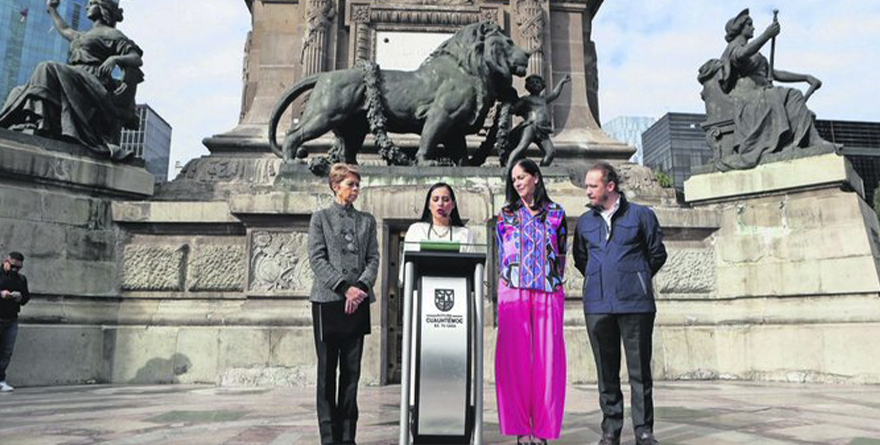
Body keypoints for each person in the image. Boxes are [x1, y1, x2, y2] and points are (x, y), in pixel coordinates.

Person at [572, 163, 667, 445]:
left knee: (639, 372)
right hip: (598, 306)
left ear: (610, 186)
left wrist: (634, 277)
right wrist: (599, 280)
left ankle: (643, 431)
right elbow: (581, 258)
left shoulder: (641, 215)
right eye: (587, 186)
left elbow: (656, 254)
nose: (587, 191)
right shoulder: (585, 222)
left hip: (636, 305)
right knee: (606, 372)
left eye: (593, 186)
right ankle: (611, 430)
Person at [0, 0, 143, 160]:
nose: (87, 7)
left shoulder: (113, 34)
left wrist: (115, 59)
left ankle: (40, 122)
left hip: (93, 81)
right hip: (72, 76)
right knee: (17, 91)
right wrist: (52, 8)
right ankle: (34, 122)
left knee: (47, 67)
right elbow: (64, 29)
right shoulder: (83, 35)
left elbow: (136, 58)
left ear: (103, 8)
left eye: (91, 3)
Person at [698, 8, 837, 170]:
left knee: (792, 95)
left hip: (762, 92)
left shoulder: (753, 51)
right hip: (747, 96)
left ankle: (808, 140)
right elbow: (741, 56)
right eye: (750, 25)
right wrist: (766, 35)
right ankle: (805, 140)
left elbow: (774, 73)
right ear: (740, 29)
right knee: (792, 95)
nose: (753, 28)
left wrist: (805, 77)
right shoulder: (734, 48)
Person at [495, 159, 567, 444]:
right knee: (514, 363)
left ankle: (543, 430)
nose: (517, 183)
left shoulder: (557, 213)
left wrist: (553, 280)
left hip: (548, 290)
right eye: (514, 180)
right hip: (513, 290)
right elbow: (502, 254)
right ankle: (521, 429)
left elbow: (562, 255)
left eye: (522, 177)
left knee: (548, 362)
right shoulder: (506, 214)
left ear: (536, 177)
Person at [307, 163, 380, 444]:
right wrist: (344, 287)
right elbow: (317, 258)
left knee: (352, 372)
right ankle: (329, 437)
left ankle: (348, 436)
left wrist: (360, 287)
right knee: (327, 371)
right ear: (335, 186)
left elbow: (373, 257)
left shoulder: (367, 221)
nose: (356, 190)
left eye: (358, 185)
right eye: (351, 184)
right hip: (328, 302)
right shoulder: (320, 219)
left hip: (358, 301)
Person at [503, 74, 571, 170]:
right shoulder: (526, 99)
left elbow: (555, 93)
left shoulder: (543, 99)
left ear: (542, 85)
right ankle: (508, 168)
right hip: (531, 127)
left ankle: (540, 172)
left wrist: (562, 82)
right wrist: (507, 107)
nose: (535, 84)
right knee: (522, 147)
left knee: (550, 153)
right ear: (528, 86)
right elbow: (513, 109)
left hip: (543, 130)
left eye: (537, 82)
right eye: (532, 83)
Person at [0, 252, 30, 392]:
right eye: (13, 266)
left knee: (6, 351)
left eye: (18, 268)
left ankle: (1, 379)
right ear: (6, 261)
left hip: (11, 318)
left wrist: (20, 297)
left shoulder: (21, 279)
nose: (15, 270)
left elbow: (26, 297)